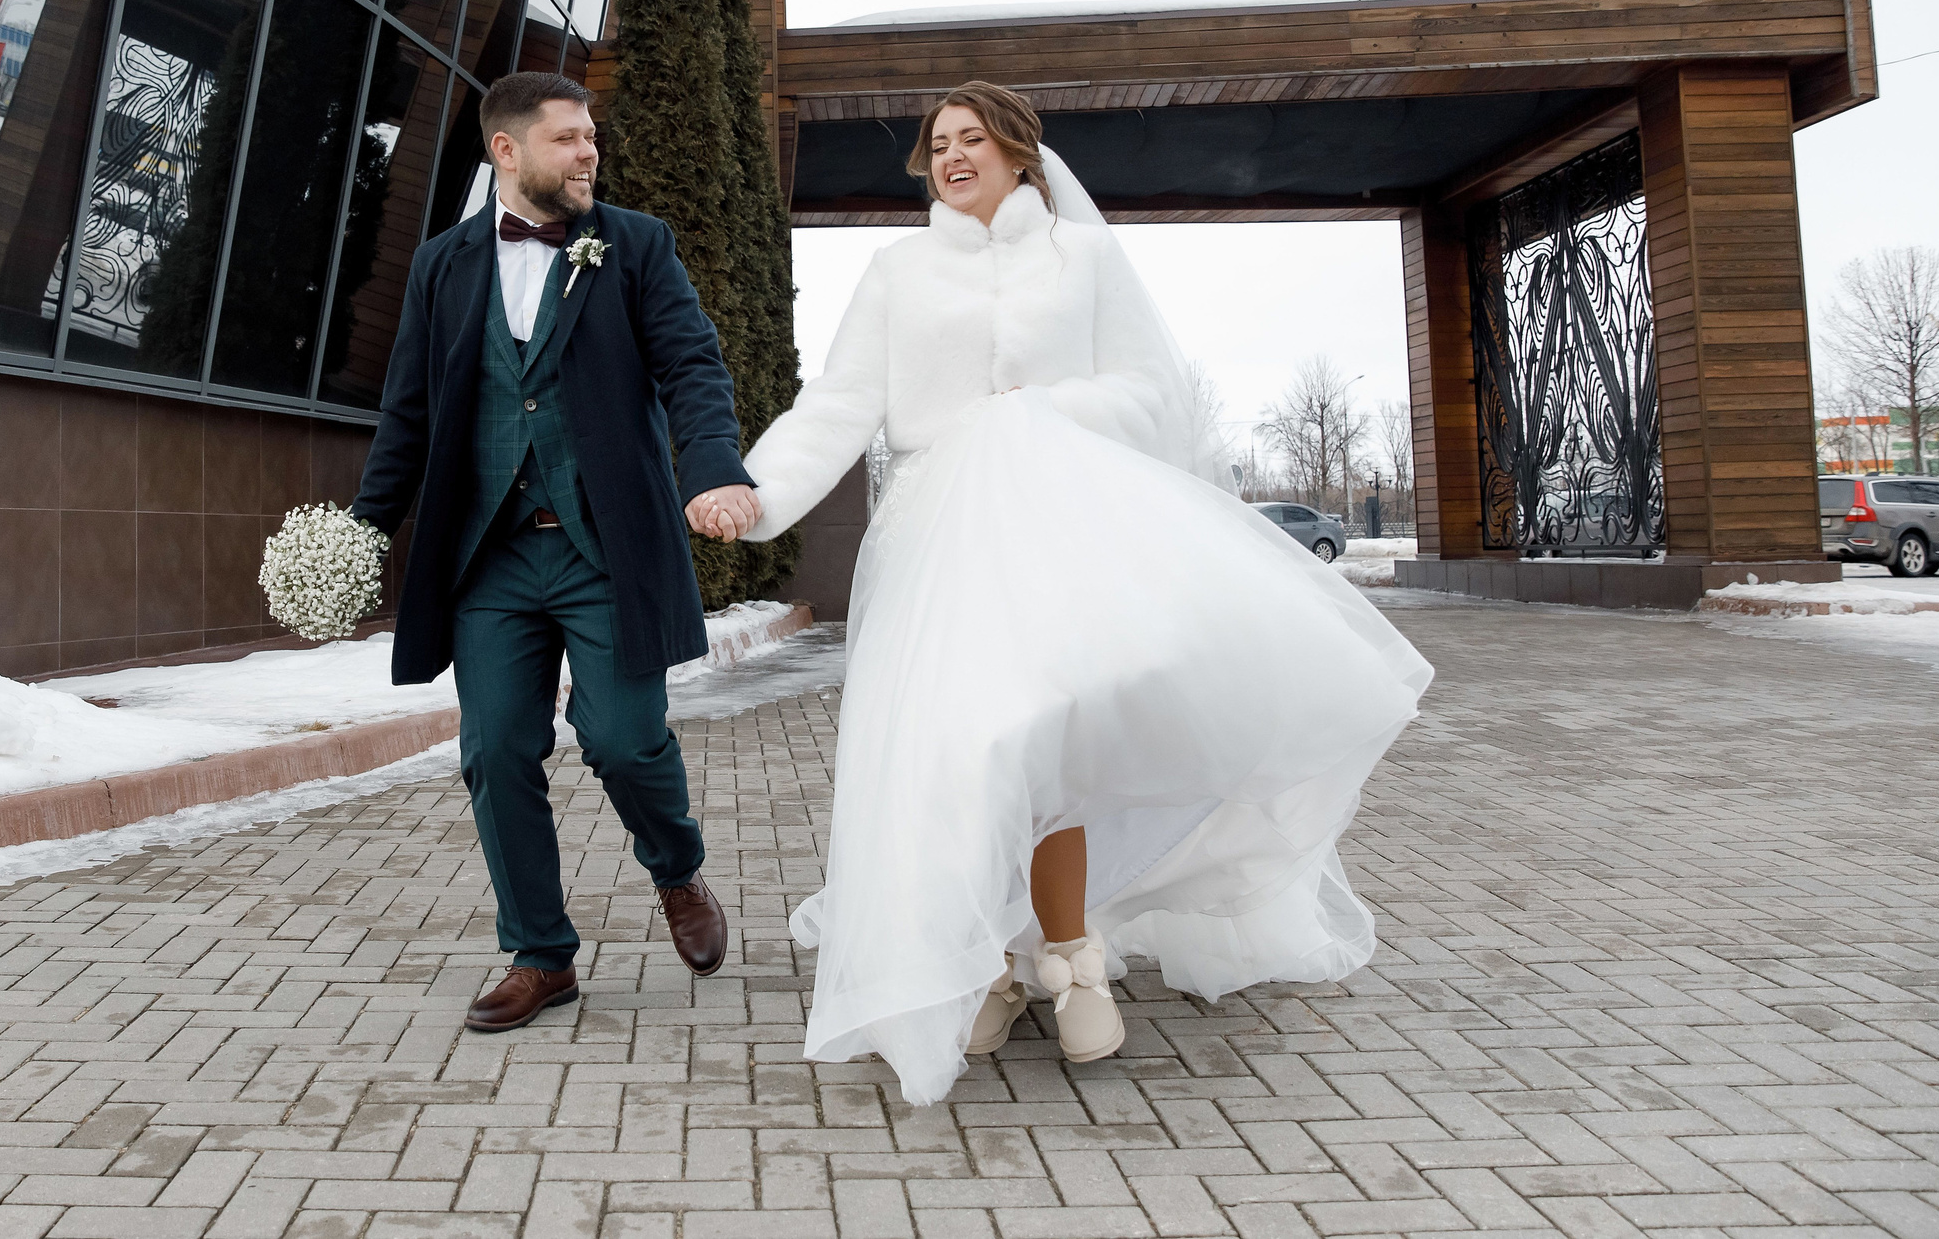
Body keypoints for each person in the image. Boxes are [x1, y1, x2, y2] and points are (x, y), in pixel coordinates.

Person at [739, 81, 1435, 1104]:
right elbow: (839, 403)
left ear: (1020, 152)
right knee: (963, 748)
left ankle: (1066, 951)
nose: (952, 155)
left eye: (973, 138)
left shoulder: (1084, 257)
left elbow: (1152, 390)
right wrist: (753, 497)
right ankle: (990, 961)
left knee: (1044, 738)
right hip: (940, 540)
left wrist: (1047, 408)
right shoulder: (898, 271)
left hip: (1062, 526)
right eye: (938, 144)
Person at [351, 71, 763, 1032]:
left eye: (591, 137)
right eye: (568, 138)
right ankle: (540, 954)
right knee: (495, 749)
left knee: (622, 738)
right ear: (507, 150)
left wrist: (711, 467)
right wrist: (363, 530)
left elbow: (691, 364)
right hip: (488, 558)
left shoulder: (636, 245)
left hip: (603, 549)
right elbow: (408, 411)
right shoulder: (441, 266)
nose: (589, 152)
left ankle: (676, 866)